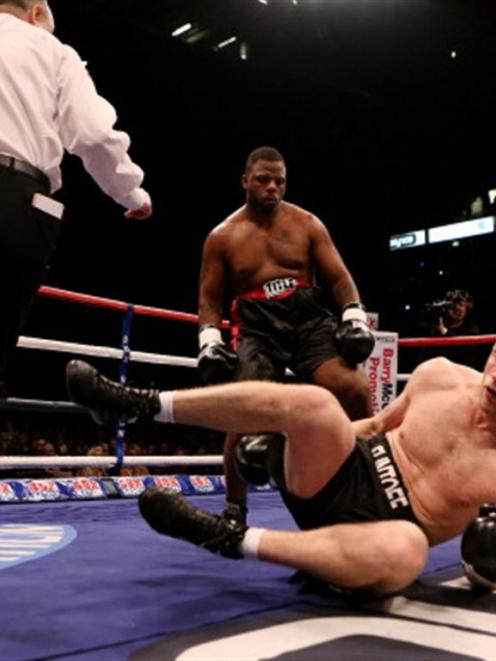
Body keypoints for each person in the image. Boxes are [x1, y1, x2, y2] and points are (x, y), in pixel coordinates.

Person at [64, 344, 496, 595]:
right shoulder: (441, 374)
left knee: (407, 550)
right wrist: (298, 441)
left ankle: (230, 538)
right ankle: (140, 405)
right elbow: (377, 425)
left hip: (378, 535)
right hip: (339, 473)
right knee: (319, 404)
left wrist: (485, 562)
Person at [197, 146, 374, 522]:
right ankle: (234, 508)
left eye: (279, 181)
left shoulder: (307, 223)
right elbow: (210, 298)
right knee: (243, 409)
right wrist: (209, 340)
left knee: (355, 389)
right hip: (257, 327)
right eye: (263, 179)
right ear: (245, 181)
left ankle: (370, 484)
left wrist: (354, 316)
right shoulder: (222, 237)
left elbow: (339, 278)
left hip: (308, 320)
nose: (272, 187)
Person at [0, 0, 152, 402]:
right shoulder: (52, 50)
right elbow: (92, 136)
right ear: (35, 13)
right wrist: (130, 192)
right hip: (12, 199)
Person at [417, 289, 482, 369]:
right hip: (439, 372)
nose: (457, 308)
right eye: (454, 305)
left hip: (461, 373)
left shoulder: (471, 329)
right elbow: (426, 354)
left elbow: (463, 350)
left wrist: (444, 331)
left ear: (467, 309)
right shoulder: (438, 326)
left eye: (461, 305)